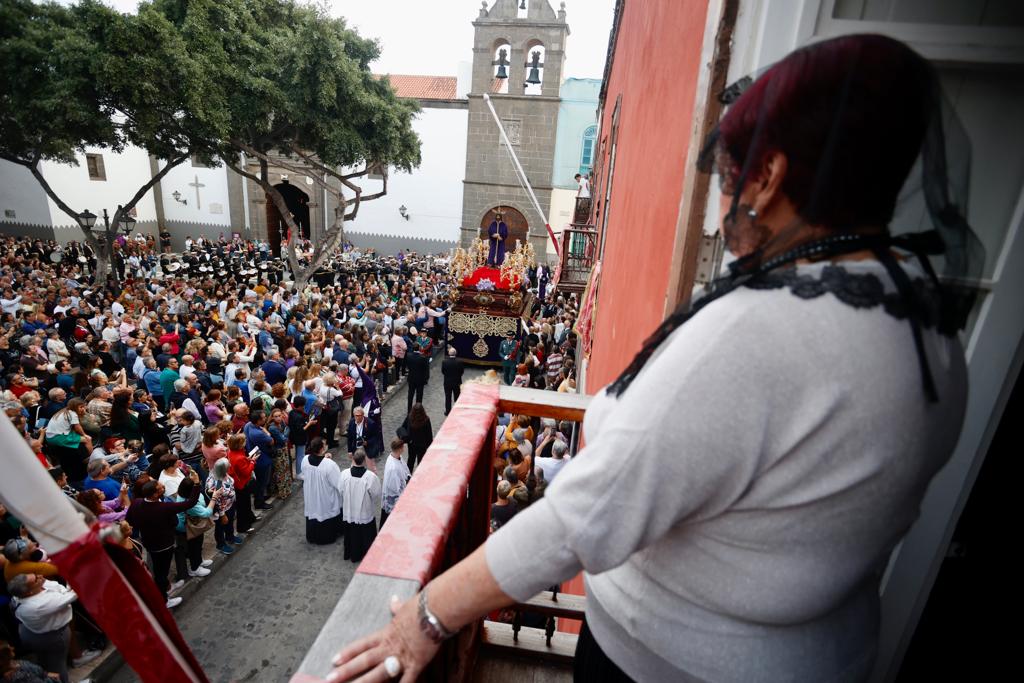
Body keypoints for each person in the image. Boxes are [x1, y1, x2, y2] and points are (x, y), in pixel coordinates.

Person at [325, 35, 978, 683]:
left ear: (771, 176)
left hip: (668, 664)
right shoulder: (928, 327)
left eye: (727, 180)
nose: (721, 212)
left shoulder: (754, 332)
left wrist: (428, 615)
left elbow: (583, 515)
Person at [8, 574, 101, 683]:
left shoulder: (22, 594)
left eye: (35, 574)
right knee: (58, 666)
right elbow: (72, 595)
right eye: (36, 579)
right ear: (29, 592)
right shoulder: (38, 605)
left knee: (46, 660)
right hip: (51, 637)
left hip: (30, 631)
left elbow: (56, 587)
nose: (41, 576)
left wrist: (64, 591)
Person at [126, 475, 200, 609]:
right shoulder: (164, 507)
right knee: (161, 572)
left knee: (159, 569)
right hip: (164, 545)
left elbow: (130, 520)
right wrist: (196, 484)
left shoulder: (136, 503)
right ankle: (164, 600)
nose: (163, 488)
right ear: (155, 494)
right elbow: (190, 503)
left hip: (149, 542)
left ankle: (167, 587)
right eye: (160, 488)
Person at [299, 437, 344, 545]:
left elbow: (304, 472)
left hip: (311, 493)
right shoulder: (329, 465)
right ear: (322, 449)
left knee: (314, 511)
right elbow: (338, 483)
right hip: (325, 496)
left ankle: (313, 535)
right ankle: (328, 536)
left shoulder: (305, 459)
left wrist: (325, 458)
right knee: (325, 511)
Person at [339, 449, 381, 562]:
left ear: (353, 459)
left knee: (352, 533)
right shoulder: (370, 477)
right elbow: (376, 494)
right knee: (366, 534)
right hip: (364, 511)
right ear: (364, 461)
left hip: (349, 511)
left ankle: (351, 553)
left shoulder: (344, 474)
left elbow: (340, 490)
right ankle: (367, 554)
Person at [173, 478, 217, 579]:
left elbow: (200, 498)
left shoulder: (183, 494)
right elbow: (206, 513)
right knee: (194, 547)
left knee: (198, 543)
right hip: (188, 528)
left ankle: (199, 561)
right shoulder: (190, 503)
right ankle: (195, 568)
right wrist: (214, 498)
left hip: (191, 524)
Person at [206, 457, 244, 555]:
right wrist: (222, 515)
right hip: (222, 510)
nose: (230, 466)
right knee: (220, 527)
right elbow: (218, 501)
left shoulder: (222, 474)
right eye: (228, 466)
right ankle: (221, 544)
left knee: (230, 522)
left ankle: (230, 537)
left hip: (230, 505)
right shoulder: (216, 483)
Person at [380, 438, 410, 529]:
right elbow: (394, 488)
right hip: (394, 498)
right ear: (400, 449)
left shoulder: (395, 456)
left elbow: (404, 469)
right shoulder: (393, 467)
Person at [399, 403, 433, 474]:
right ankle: (419, 476)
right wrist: (429, 446)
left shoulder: (409, 417)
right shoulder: (426, 420)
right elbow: (429, 435)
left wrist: (407, 439)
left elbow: (403, 427)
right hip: (422, 445)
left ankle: (408, 476)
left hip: (411, 444)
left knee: (411, 460)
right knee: (420, 462)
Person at [404, 349, 429, 414]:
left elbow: (407, 365)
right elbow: (426, 369)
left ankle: (409, 410)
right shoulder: (423, 357)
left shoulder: (409, 356)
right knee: (419, 395)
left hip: (411, 378)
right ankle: (418, 410)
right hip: (420, 379)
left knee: (410, 394)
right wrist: (426, 379)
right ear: (419, 348)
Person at [441, 347, 464, 415]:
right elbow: (461, 372)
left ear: (449, 353)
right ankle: (456, 410)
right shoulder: (459, 362)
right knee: (457, 397)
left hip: (447, 382)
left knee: (448, 397)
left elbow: (443, 371)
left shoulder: (444, 362)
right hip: (457, 382)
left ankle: (448, 411)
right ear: (455, 353)